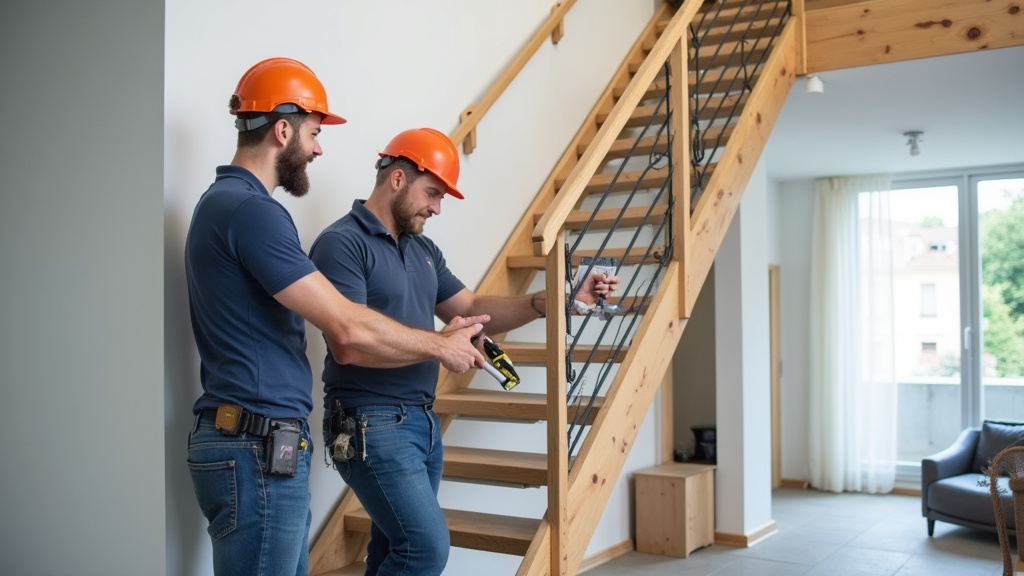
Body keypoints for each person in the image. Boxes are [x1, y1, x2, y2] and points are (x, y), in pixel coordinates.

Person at [184, 62, 487, 576]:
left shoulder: (226, 204)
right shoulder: (252, 212)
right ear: (283, 130)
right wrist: (439, 345)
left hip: (256, 440)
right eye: (315, 132)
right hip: (254, 443)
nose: (320, 148)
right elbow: (346, 327)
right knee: (423, 546)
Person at [308, 127, 619, 576]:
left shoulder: (422, 249)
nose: (436, 207)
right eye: (432, 193)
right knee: (424, 548)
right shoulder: (342, 243)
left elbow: (472, 307)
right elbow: (348, 346)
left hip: (421, 421)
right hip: (369, 422)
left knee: (391, 551)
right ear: (397, 178)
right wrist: (439, 345)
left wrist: (550, 300)